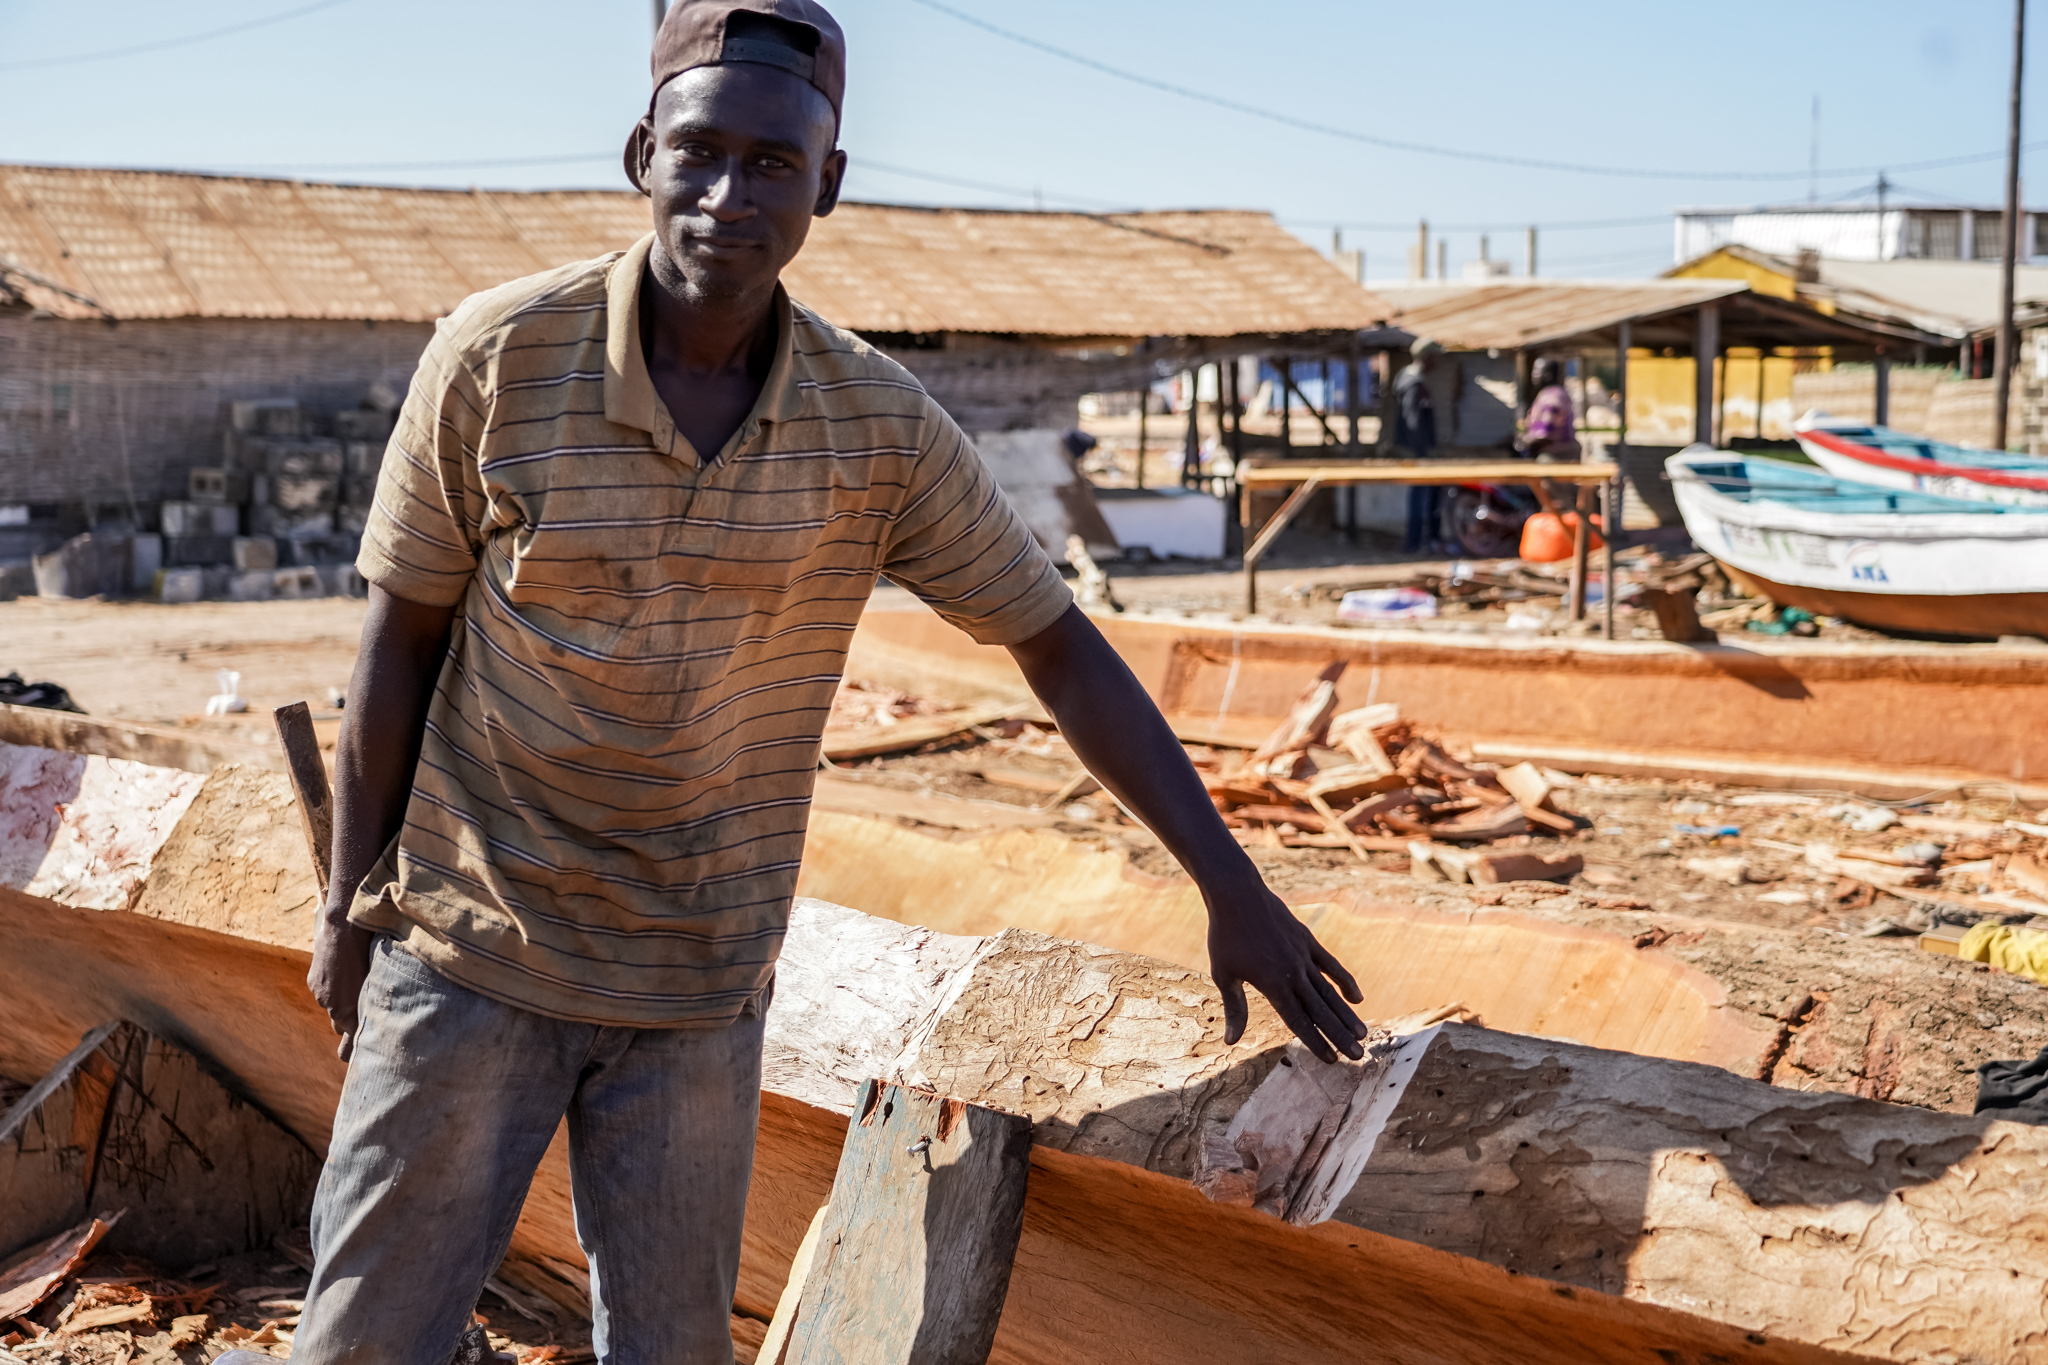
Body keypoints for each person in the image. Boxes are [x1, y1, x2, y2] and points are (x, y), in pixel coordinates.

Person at [253, 4, 1368, 1363]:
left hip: (700, 991)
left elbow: (1056, 643)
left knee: (671, 1346)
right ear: (639, 154)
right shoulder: (499, 358)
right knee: (363, 1342)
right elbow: (399, 641)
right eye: (699, 151)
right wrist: (345, 908)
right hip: (472, 958)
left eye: (775, 162)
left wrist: (1228, 882)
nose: (730, 193)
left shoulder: (876, 429)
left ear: (829, 181)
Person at [1392, 337, 1444, 552]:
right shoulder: (1412, 385)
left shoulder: (1414, 381)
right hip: (1418, 453)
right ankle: (1414, 543)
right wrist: (1422, 454)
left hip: (1420, 451)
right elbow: (1413, 422)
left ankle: (1422, 541)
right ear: (1427, 357)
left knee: (1426, 494)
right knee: (1420, 496)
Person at [1522, 356, 1581, 461]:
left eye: (1537, 370)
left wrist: (1524, 442)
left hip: (1554, 455)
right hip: (1559, 452)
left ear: (1548, 374)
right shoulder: (1554, 393)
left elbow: (1546, 433)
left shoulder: (1551, 397)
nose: (1533, 374)